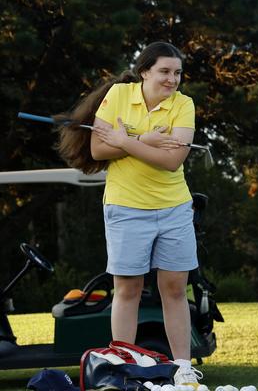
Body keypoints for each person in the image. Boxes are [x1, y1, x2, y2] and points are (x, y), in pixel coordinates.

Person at [56, 42, 207, 390]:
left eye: (177, 73)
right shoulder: (119, 95)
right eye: (164, 71)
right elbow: (97, 149)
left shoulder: (184, 104)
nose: (172, 79)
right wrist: (150, 142)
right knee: (128, 289)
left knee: (174, 289)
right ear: (145, 71)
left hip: (174, 207)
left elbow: (172, 162)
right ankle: (123, 366)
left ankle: (183, 368)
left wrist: (126, 141)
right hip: (126, 207)